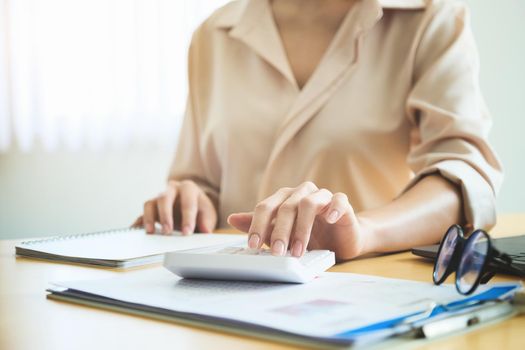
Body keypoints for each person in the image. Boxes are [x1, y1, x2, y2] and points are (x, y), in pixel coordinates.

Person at [133, 0, 502, 261]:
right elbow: (200, 181)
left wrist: (364, 232)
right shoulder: (212, 35)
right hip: (229, 293)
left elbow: (465, 175)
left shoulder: (431, 18)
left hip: (363, 290)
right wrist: (188, 198)